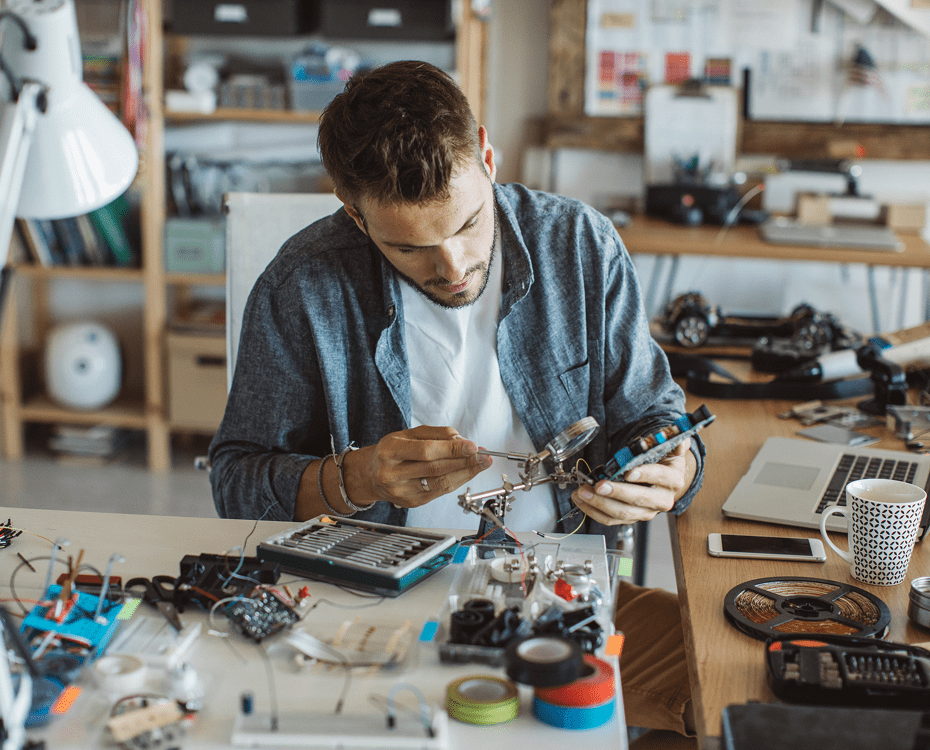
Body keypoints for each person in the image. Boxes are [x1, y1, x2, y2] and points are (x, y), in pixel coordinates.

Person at [209, 60, 703, 744]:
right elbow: (235, 482)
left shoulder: (581, 245)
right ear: (355, 214)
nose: (452, 266)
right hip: (373, 594)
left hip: (561, 586)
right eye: (409, 247)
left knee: (727, 692)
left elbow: (659, 420)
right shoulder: (303, 283)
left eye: (469, 223)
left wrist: (672, 472)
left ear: (487, 155)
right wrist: (355, 478)